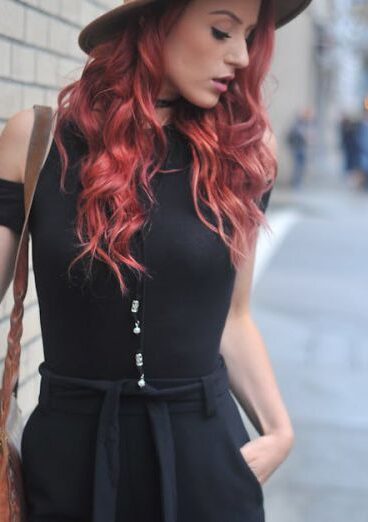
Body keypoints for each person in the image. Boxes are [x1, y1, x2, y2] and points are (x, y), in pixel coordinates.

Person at [0, 0, 311, 520]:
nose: (239, 55)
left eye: (249, 37)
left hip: (204, 456)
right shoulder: (37, 140)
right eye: (220, 31)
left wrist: (279, 430)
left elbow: (232, 317)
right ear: (154, 22)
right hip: (70, 459)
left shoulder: (246, 155)